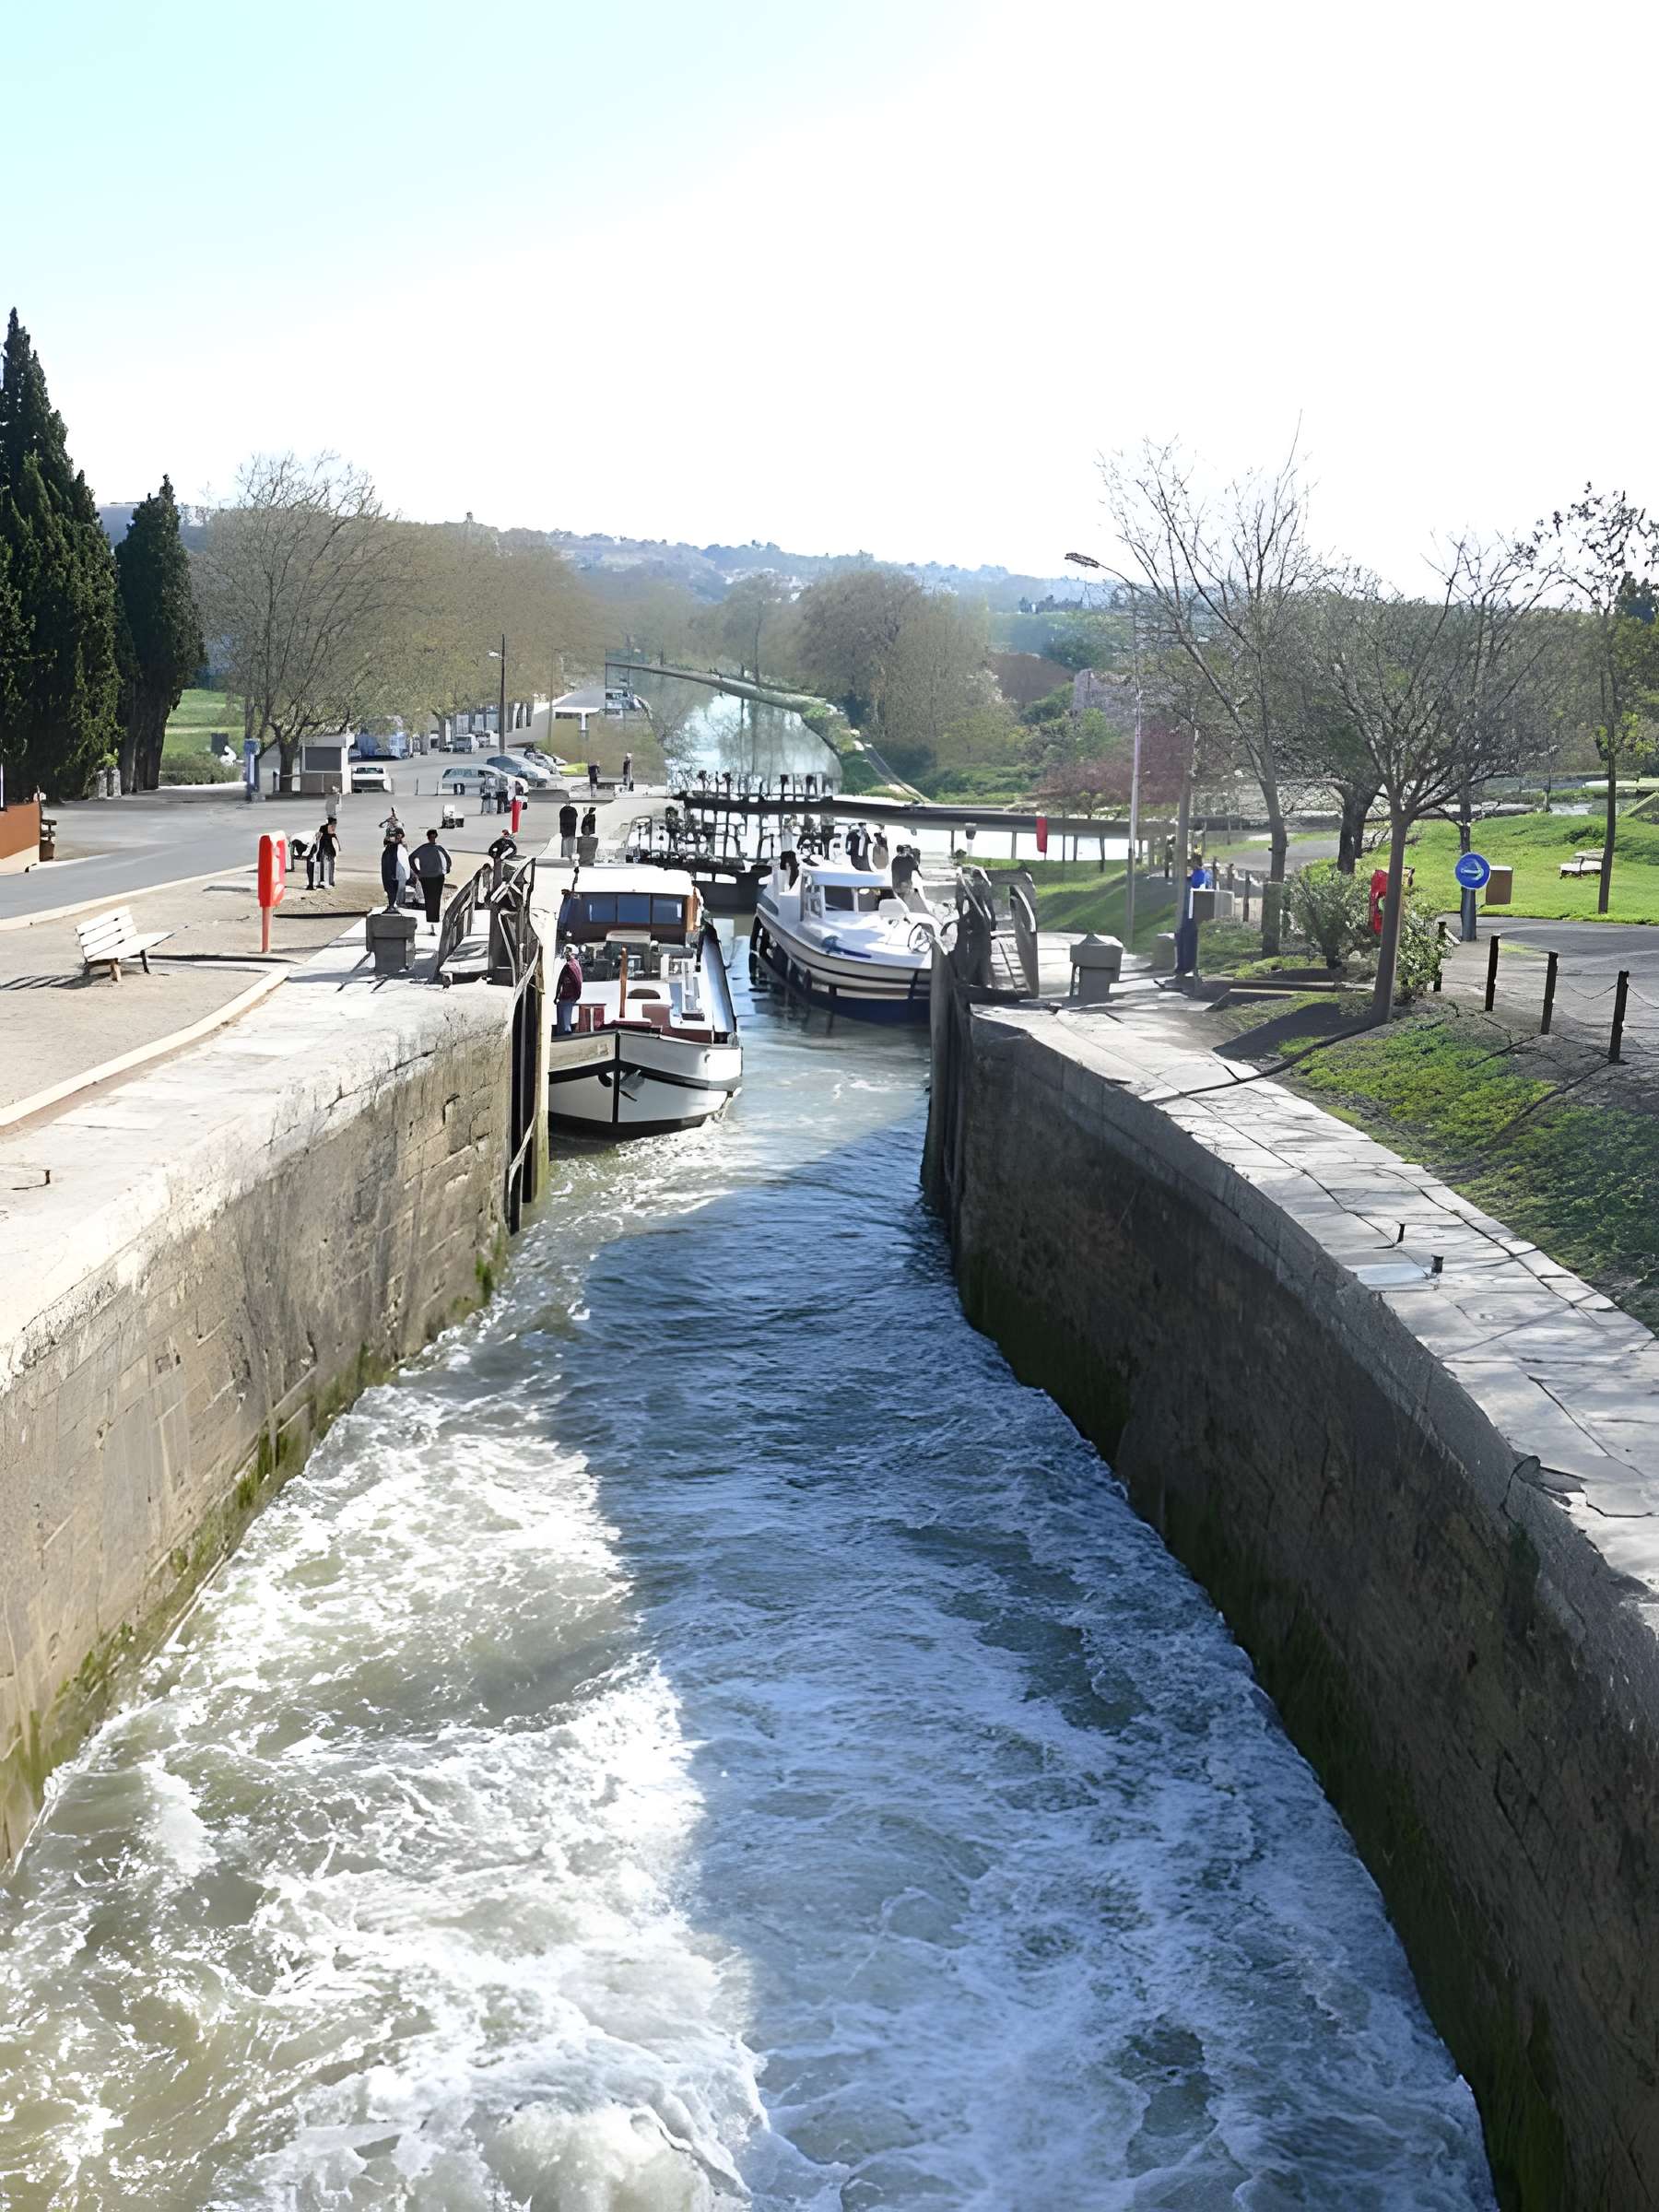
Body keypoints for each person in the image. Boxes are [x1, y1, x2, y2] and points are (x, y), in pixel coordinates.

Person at [410, 827, 453, 924]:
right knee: (431, 898)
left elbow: (448, 860)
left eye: (434, 837)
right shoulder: (427, 848)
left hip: (436, 876)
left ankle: (434, 919)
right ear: (429, 837)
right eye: (431, 837)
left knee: (434, 898)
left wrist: (447, 870)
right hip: (428, 877)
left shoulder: (438, 848)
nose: (433, 839)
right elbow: (411, 858)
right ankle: (431, 919)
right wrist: (417, 871)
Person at [555, 942, 583, 1034]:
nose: (566, 954)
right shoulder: (576, 965)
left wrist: (556, 996)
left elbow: (560, 982)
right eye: (566, 952)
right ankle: (565, 1031)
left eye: (568, 952)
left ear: (573, 954)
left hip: (567, 997)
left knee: (563, 1019)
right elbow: (578, 982)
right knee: (566, 1016)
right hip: (571, 997)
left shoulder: (569, 966)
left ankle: (564, 1034)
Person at [380, 827, 409, 911]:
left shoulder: (401, 847)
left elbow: (405, 860)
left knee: (399, 886)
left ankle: (396, 904)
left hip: (397, 869)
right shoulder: (391, 847)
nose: (397, 837)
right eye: (396, 835)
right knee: (393, 886)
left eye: (399, 835)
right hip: (393, 869)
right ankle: (393, 904)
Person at [314, 818, 340, 888]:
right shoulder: (328, 829)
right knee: (328, 864)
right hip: (326, 847)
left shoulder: (326, 828)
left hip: (326, 847)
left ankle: (326, 881)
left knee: (325, 864)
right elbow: (318, 837)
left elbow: (318, 837)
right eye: (334, 823)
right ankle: (329, 881)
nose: (335, 825)